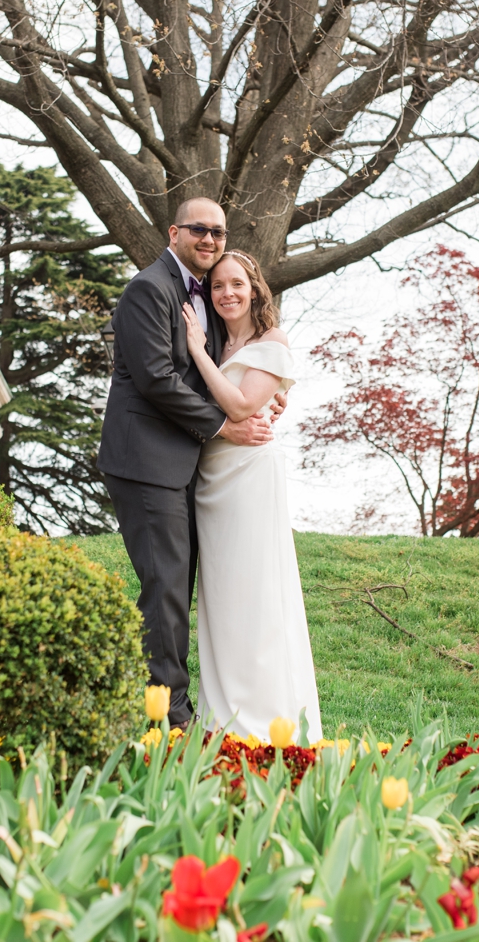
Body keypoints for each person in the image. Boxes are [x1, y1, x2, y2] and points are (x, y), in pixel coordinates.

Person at [97, 198, 283, 728]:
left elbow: (223, 369)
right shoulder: (149, 289)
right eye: (199, 230)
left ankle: (177, 706)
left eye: (219, 232)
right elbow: (156, 377)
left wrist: (265, 391)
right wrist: (226, 425)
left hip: (187, 465)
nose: (209, 239)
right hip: (146, 460)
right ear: (175, 231)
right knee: (165, 586)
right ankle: (169, 719)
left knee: (178, 586)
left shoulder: (203, 296)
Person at [181, 250, 322, 742]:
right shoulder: (221, 343)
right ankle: (221, 719)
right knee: (220, 600)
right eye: (217, 286)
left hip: (249, 478)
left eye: (236, 284)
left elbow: (241, 403)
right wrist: (206, 349)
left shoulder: (271, 341)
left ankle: (265, 723)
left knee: (256, 594)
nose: (227, 294)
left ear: (255, 288)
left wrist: (197, 349)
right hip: (210, 480)